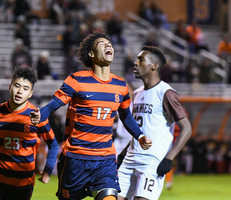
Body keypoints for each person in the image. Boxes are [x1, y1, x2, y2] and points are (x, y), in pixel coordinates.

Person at [30, 32, 152, 200]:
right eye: (102, 44)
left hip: (105, 160)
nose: (109, 45)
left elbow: (126, 116)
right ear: (92, 54)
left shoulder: (121, 85)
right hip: (75, 159)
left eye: (110, 44)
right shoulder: (77, 80)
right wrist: (39, 114)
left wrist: (140, 136)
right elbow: (52, 105)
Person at [0, 65, 59, 200]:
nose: (20, 91)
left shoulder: (37, 117)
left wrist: (48, 170)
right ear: (10, 87)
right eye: (17, 86)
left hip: (23, 185)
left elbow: (53, 144)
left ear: (30, 94)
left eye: (25, 89)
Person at [117, 46, 192, 200]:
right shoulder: (137, 93)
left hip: (152, 162)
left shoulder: (166, 92)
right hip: (130, 159)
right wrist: (123, 154)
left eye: (141, 60)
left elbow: (187, 128)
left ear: (154, 66)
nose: (136, 63)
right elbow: (140, 130)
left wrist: (169, 158)